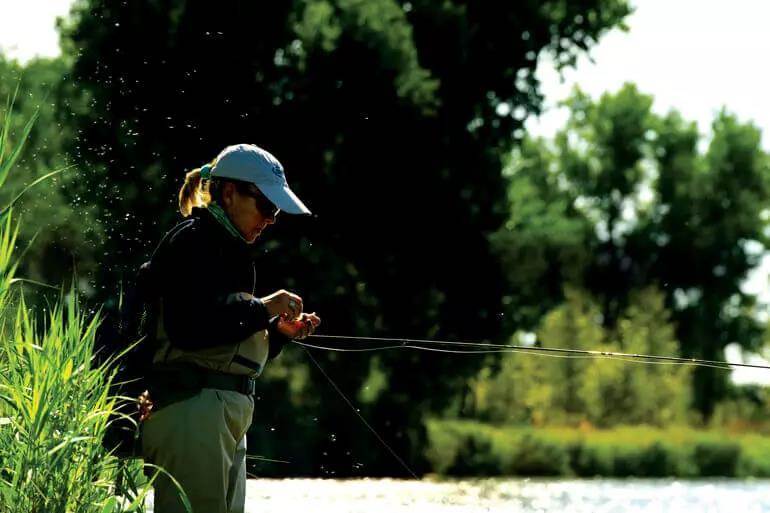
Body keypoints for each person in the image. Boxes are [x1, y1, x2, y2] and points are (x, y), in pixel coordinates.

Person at [140, 143, 321, 513]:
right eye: (267, 206)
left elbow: (223, 340)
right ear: (229, 193)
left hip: (221, 412)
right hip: (193, 410)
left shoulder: (227, 247)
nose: (271, 218)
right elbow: (189, 329)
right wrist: (264, 306)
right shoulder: (193, 241)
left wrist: (277, 335)